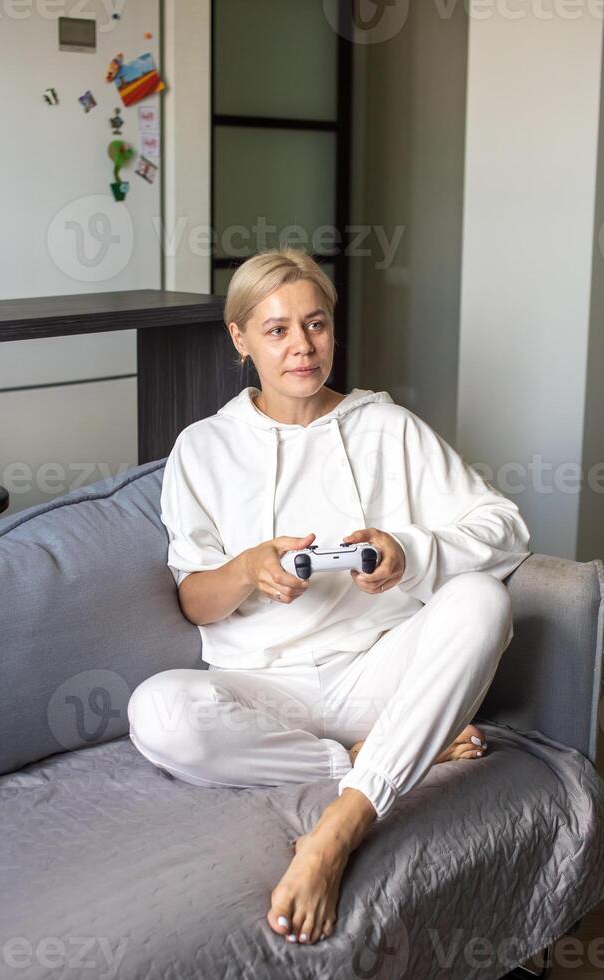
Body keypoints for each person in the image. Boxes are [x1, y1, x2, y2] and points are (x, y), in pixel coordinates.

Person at [127, 246, 531, 948]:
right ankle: (382, 755)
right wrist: (249, 568)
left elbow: (505, 527)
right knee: (157, 711)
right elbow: (194, 601)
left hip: (379, 670)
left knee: (481, 602)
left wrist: (410, 553)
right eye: (277, 329)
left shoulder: (387, 428)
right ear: (240, 338)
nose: (301, 347)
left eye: (315, 325)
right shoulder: (203, 448)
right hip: (262, 690)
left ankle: (342, 823)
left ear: (333, 329)